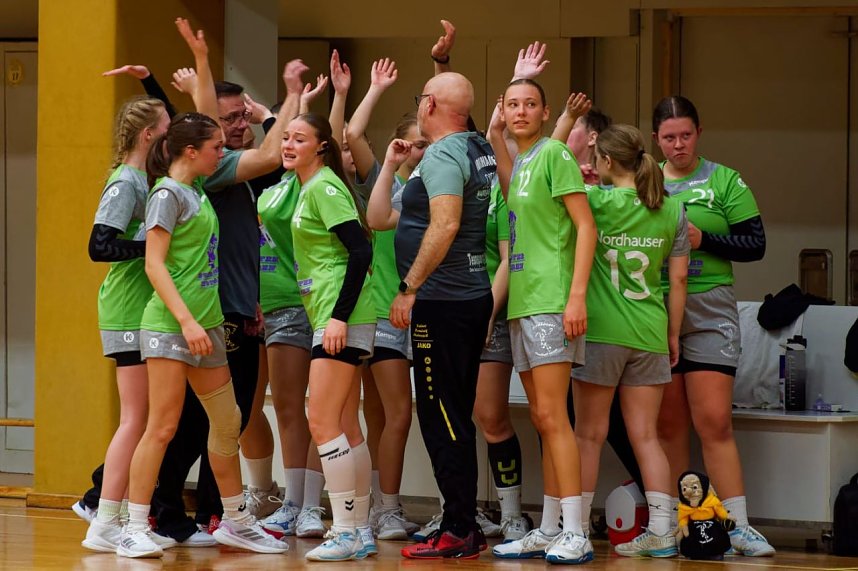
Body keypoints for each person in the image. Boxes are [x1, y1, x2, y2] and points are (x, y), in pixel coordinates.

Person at [116, 111, 287, 559]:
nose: (222, 154)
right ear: (191, 151)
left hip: (207, 325)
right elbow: (154, 264)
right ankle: (134, 526)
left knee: (228, 421)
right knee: (163, 426)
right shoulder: (167, 194)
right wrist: (188, 322)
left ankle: (235, 521)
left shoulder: (196, 190)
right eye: (215, 148)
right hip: (172, 326)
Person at [652, 95, 773, 557]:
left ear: (698, 133)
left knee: (714, 421)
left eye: (685, 136)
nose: (678, 145)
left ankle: (738, 525)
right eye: (668, 138)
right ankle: (677, 526)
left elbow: (754, 244)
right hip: (658, 308)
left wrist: (706, 240)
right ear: (655, 140)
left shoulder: (724, 180)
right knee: (669, 425)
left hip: (710, 307)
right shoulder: (649, 182)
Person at [487, 78, 596, 564]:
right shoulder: (524, 163)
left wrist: (576, 298)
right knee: (540, 418)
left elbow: (585, 226)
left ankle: (576, 531)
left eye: (531, 104)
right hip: (522, 303)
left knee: (554, 418)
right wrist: (494, 131)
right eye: (513, 105)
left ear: (546, 112)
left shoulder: (554, 155)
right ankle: (551, 527)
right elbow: (499, 148)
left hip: (553, 300)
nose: (521, 111)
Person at [391, 71, 496, 560]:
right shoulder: (477, 144)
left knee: (442, 416)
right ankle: (462, 523)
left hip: (443, 301)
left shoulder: (444, 154)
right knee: (453, 413)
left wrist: (409, 288)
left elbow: (447, 222)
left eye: (421, 100)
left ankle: (458, 527)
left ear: (429, 104)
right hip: (467, 297)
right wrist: (441, 62)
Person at [571, 124, 689, 558]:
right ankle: (662, 531)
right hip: (650, 331)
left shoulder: (593, 202)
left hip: (601, 332)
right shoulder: (672, 209)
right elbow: (678, 280)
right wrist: (672, 333)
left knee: (588, 435)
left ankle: (577, 530)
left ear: (604, 161)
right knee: (646, 436)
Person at [285, 112, 377, 561]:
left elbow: (361, 249)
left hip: (341, 315)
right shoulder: (311, 187)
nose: (288, 144)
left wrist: (339, 317)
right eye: (285, 137)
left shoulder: (323, 187)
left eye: (298, 138)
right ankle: (358, 531)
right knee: (343, 425)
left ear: (321, 147)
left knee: (320, 421)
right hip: (334, 312)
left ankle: (343, 532)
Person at [80, 96, 170, 553]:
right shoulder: (125, 183)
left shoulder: (146, 179)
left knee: (148, 417)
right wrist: (154, 250)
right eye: (166, 128)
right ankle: (104, 521)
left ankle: (120, 517)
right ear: (149, 134)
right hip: (125, 309)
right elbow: (100, 246)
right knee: (135, 419)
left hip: (142, 308)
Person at [349, 57, 426, 541]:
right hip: (382, 309)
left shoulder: (440, 185)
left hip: (403, 309)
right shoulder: (388, 181)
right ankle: (389, 508)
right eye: (416, 143)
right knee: (395, 413)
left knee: (382, 414)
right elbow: (354, 136)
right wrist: (373, 89)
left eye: (428, 143)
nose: (423, 150)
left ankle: (379, 506)